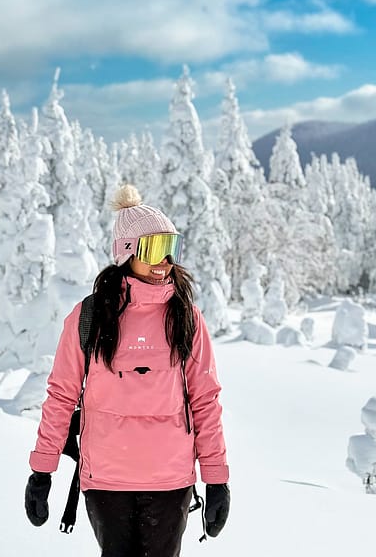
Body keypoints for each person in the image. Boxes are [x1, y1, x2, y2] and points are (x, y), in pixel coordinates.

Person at [25, 184, 231, 556]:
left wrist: (216, 479)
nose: (164, 260)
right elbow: (61, 395)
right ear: (126, 252)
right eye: (153, 248)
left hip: (170, 481)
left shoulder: (186, 318)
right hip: (107, 479)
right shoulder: (89, 316)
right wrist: (43, 470)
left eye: (171, 248)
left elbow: (205, 400)